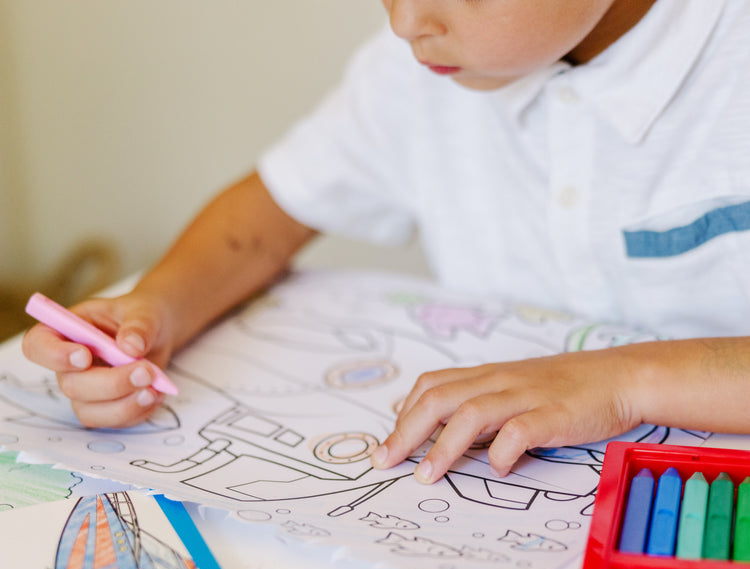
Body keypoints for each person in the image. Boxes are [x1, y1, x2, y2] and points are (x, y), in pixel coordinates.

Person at [22, 0, 750, 486]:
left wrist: (623, 382)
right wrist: (155, 312)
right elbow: (263, 219)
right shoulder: (418, 74)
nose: (405, 21)